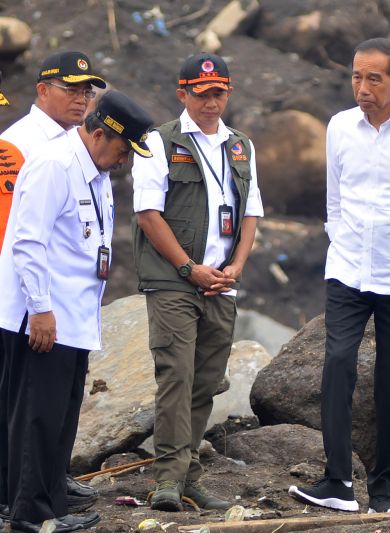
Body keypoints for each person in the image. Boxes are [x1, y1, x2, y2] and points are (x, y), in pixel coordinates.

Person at [288, 38, 390, 514]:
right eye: (356, 76)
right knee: (338, 364)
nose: (362, 87)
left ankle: (384, 492)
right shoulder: (340, 127)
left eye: (373, 78)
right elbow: (334, 197)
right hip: (346, 269)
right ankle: (337, 481)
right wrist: (342, 237)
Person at [0, 90, 153, 533]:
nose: (125, 160)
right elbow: (27, 242)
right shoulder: (55, 165)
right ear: (101, 133)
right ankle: (30, 515)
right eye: (124, 149)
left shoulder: (96, 171)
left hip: (74, 317)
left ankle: (50, 506)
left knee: (61, 419)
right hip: (46, 317)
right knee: (37, 418)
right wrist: (40, 309)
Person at [132, 52, 263, 512]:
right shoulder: (157, 142)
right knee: (176, 376)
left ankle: (188, 476)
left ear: (229, 92)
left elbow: (249, 215)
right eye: (202, 93)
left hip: (220, 285)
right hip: (174, 281)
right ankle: (167, 480)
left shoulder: (240, 145)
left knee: (205, 383)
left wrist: (236, 267)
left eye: (219, 93)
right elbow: (148, 214)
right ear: (182, 93)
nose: (211, 102)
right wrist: (189, 268)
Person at [0, 51, 109, 523]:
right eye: (72, 88)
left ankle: (41, 481)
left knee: (43, 406)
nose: (82, 98)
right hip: (21, 297)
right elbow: (11, 229)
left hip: (52, 296)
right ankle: (18, 496)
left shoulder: (77, 144)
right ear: (42, 90)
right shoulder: (20, 144)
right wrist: (34, 299)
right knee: (21, 404)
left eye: (87, 90)